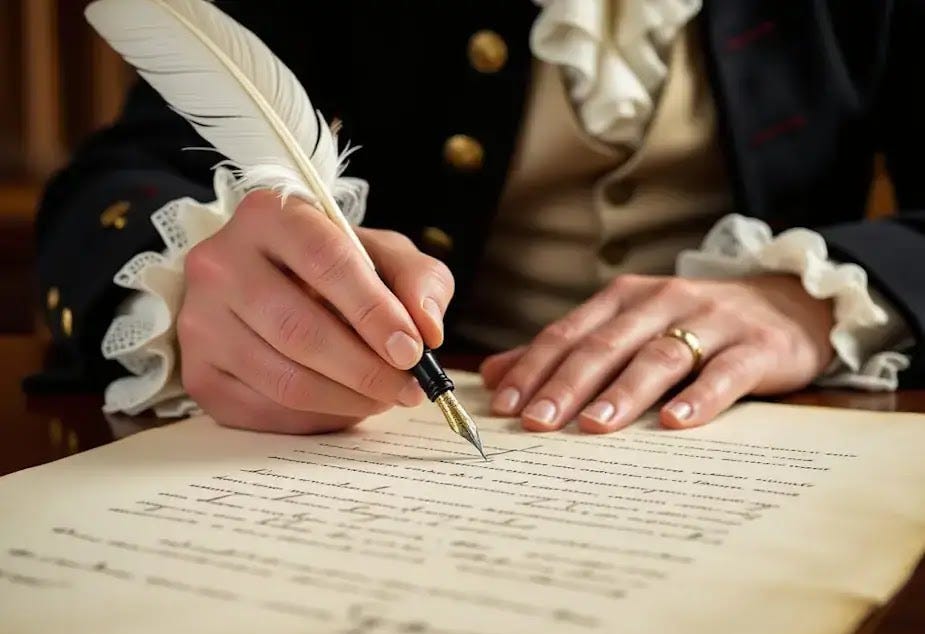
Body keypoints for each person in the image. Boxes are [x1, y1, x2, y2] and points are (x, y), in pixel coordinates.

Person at [29, 0, 924, 437]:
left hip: (771, 434)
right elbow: (118, 179)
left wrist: (813, 299)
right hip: (394, 420)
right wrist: (200, 283)